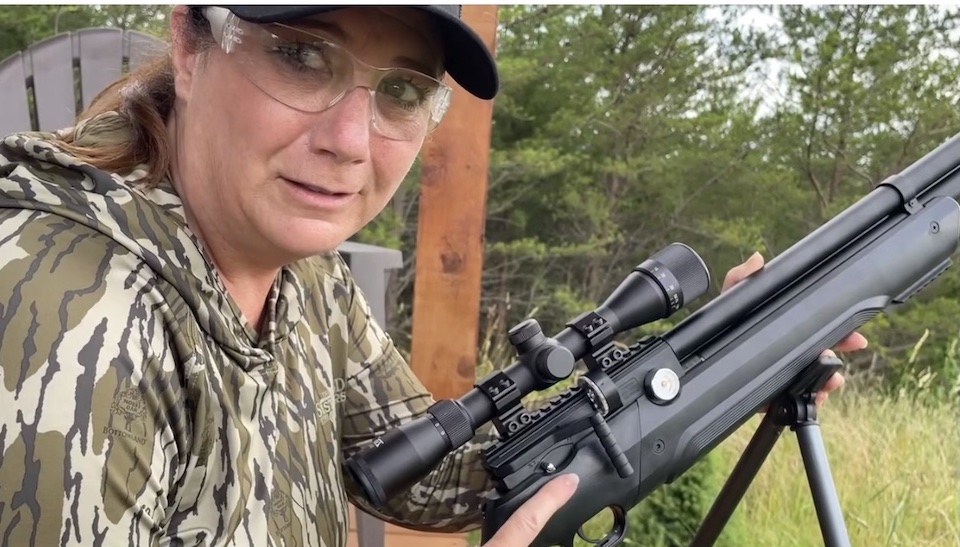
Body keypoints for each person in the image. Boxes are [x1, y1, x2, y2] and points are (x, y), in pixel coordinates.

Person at [0, 5, 866, 547]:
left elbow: (437, 469)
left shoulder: (308, 284)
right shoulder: (72, 322)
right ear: (191, 43)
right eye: (304, 56)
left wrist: (726, 355)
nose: (350, 139)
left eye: (403, 92)